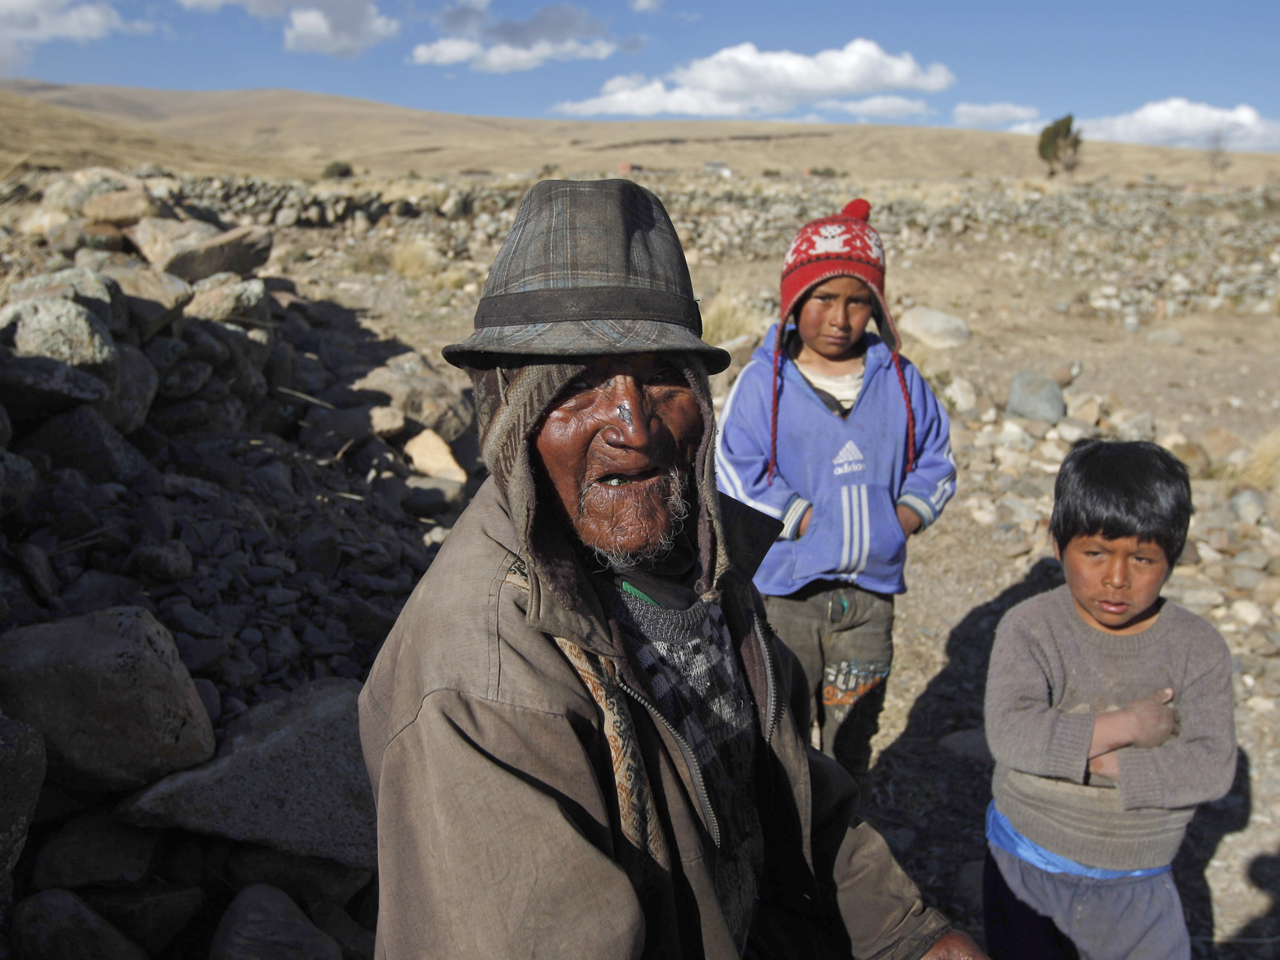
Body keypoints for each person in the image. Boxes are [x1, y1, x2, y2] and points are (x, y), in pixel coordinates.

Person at [359, 179, 986, 959]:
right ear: (506, 411)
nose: (634, 428)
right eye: (578, 383)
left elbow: (783, 780)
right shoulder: (484, 682)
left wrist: (907, 933)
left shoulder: (699, 553)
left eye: (661, 376)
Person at [715, 199, 955, 774]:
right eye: (823, 298)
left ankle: (847, 839)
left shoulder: (900, 380)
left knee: (853, 734)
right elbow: (735, 468)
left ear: (876, 306)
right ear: (795, 301)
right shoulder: (761, 383)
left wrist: (896, 522)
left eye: (857, 301)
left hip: (871, 597)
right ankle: (792, 847)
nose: (840, 318)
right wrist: (802, 520)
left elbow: (936, 461)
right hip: (786, 593)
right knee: (785, 727)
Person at [982, 440, 1237, 960]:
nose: (1117, 579)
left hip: (1137, 883)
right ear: (1058, 544)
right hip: (1027, 864)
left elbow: (1212, 768)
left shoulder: (1198, 647)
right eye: (1095, 553)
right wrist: (1129, 726)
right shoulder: (1030, 628)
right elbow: (1011, 735)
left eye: (1142, 558)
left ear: (1173, 554)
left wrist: (1105, 760)